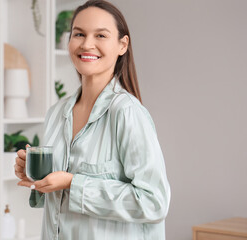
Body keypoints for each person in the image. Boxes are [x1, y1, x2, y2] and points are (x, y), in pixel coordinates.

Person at [14, 0, 171, 239]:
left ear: (122, 45)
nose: (87, 44)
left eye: (100, 35)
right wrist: (36, 175)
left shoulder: (127, 112)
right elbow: (60, 204)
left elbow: (153, 202)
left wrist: (72, 183)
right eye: (79, 34)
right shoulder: (57, 113)